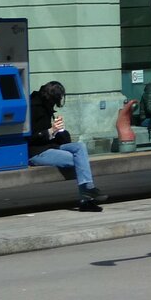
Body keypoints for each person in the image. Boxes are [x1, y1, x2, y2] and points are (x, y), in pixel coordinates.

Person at [28, 80, 108, 212]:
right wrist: (50, 131)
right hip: (37, 152)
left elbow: (64, 141)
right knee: (78, 161)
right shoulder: (34, 108)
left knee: (80, 147)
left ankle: (87, 191)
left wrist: (60, 130)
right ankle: (86, 199)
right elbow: (30, 138)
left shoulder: (47, 108)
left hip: (50, 147)